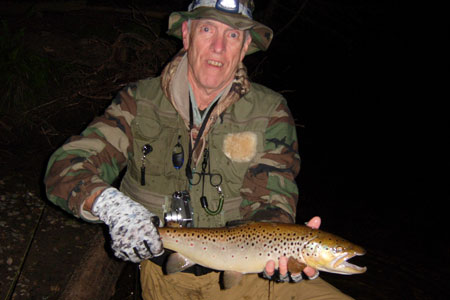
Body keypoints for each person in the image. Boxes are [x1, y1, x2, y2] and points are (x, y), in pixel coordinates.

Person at [45, 1, 353, 299]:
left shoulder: (270, 111)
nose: (219, 47)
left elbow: (272, 198)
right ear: (186, 34)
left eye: (232, 35)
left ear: (245, 46)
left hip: (247, 277)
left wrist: (284, 250)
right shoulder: (137, 102)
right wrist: (111, 207)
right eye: (208, 29)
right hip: (168, 277)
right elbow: (65, 167)